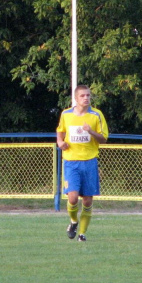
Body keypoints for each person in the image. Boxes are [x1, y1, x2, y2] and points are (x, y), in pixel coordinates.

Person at [57, 85, 109, 242]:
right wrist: (60, 142)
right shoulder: (66, 114)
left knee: (87, 200)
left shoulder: (96, 115)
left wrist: (91, 131)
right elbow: (60, 131)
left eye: (88, 95)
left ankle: (82, 234)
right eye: (82, 96)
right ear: (76, 98)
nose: (86, 98)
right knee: (72, 198)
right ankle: (73, 221)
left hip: (89, 162)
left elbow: (104, 138)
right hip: (71, 162)